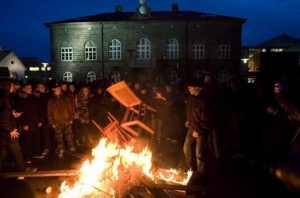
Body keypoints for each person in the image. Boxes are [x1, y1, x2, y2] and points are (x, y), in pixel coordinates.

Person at [0, 78, 36, 172]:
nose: (14, 87)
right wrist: (10, 130)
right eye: (12, 85)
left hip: (4, 131)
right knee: (16, 150)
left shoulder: (6, 96)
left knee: (3, 152)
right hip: (8, 132)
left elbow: (5, 114)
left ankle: (21, 169)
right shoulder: (5, 98)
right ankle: (22, 170)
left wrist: (13, 115)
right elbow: (3, 116)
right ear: (7, 86)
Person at [183, 77, 209, 174]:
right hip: (192, 126)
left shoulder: (204, 100)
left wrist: (198, 130)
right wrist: (188, 120)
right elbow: (189, 111)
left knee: (199, 152)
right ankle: (190, 168)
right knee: (186, 147)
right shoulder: (191, 98)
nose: (189, 89)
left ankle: (200, 173)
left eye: (190, 87)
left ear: (197, 88)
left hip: (200, 129)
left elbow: (205, 118)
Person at [16, 83, 44, 165]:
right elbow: (20, 113)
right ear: (23, 89)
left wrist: (40, 121)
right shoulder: (21, 100)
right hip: (27, 124)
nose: (30, 89)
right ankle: (27, 157)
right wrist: (24, 124)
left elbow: (40, 110)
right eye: (28, 88)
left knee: (36, 139)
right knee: (27, 141)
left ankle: (36, 153)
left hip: (35, 123)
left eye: (31, 87)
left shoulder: (35, 99)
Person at [47, 82, 76, 158]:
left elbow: (71, 108)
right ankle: (61, 149)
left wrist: (71, 119)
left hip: (67, 121)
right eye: (56, 89)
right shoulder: (51, 100)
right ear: (53, 89)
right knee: (59, 138)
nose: (58, 90)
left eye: (59, 88)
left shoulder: (65, 98)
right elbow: (49, 113)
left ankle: (71, 148)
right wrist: (52, 123)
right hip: (57, 122)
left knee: (69, 136)